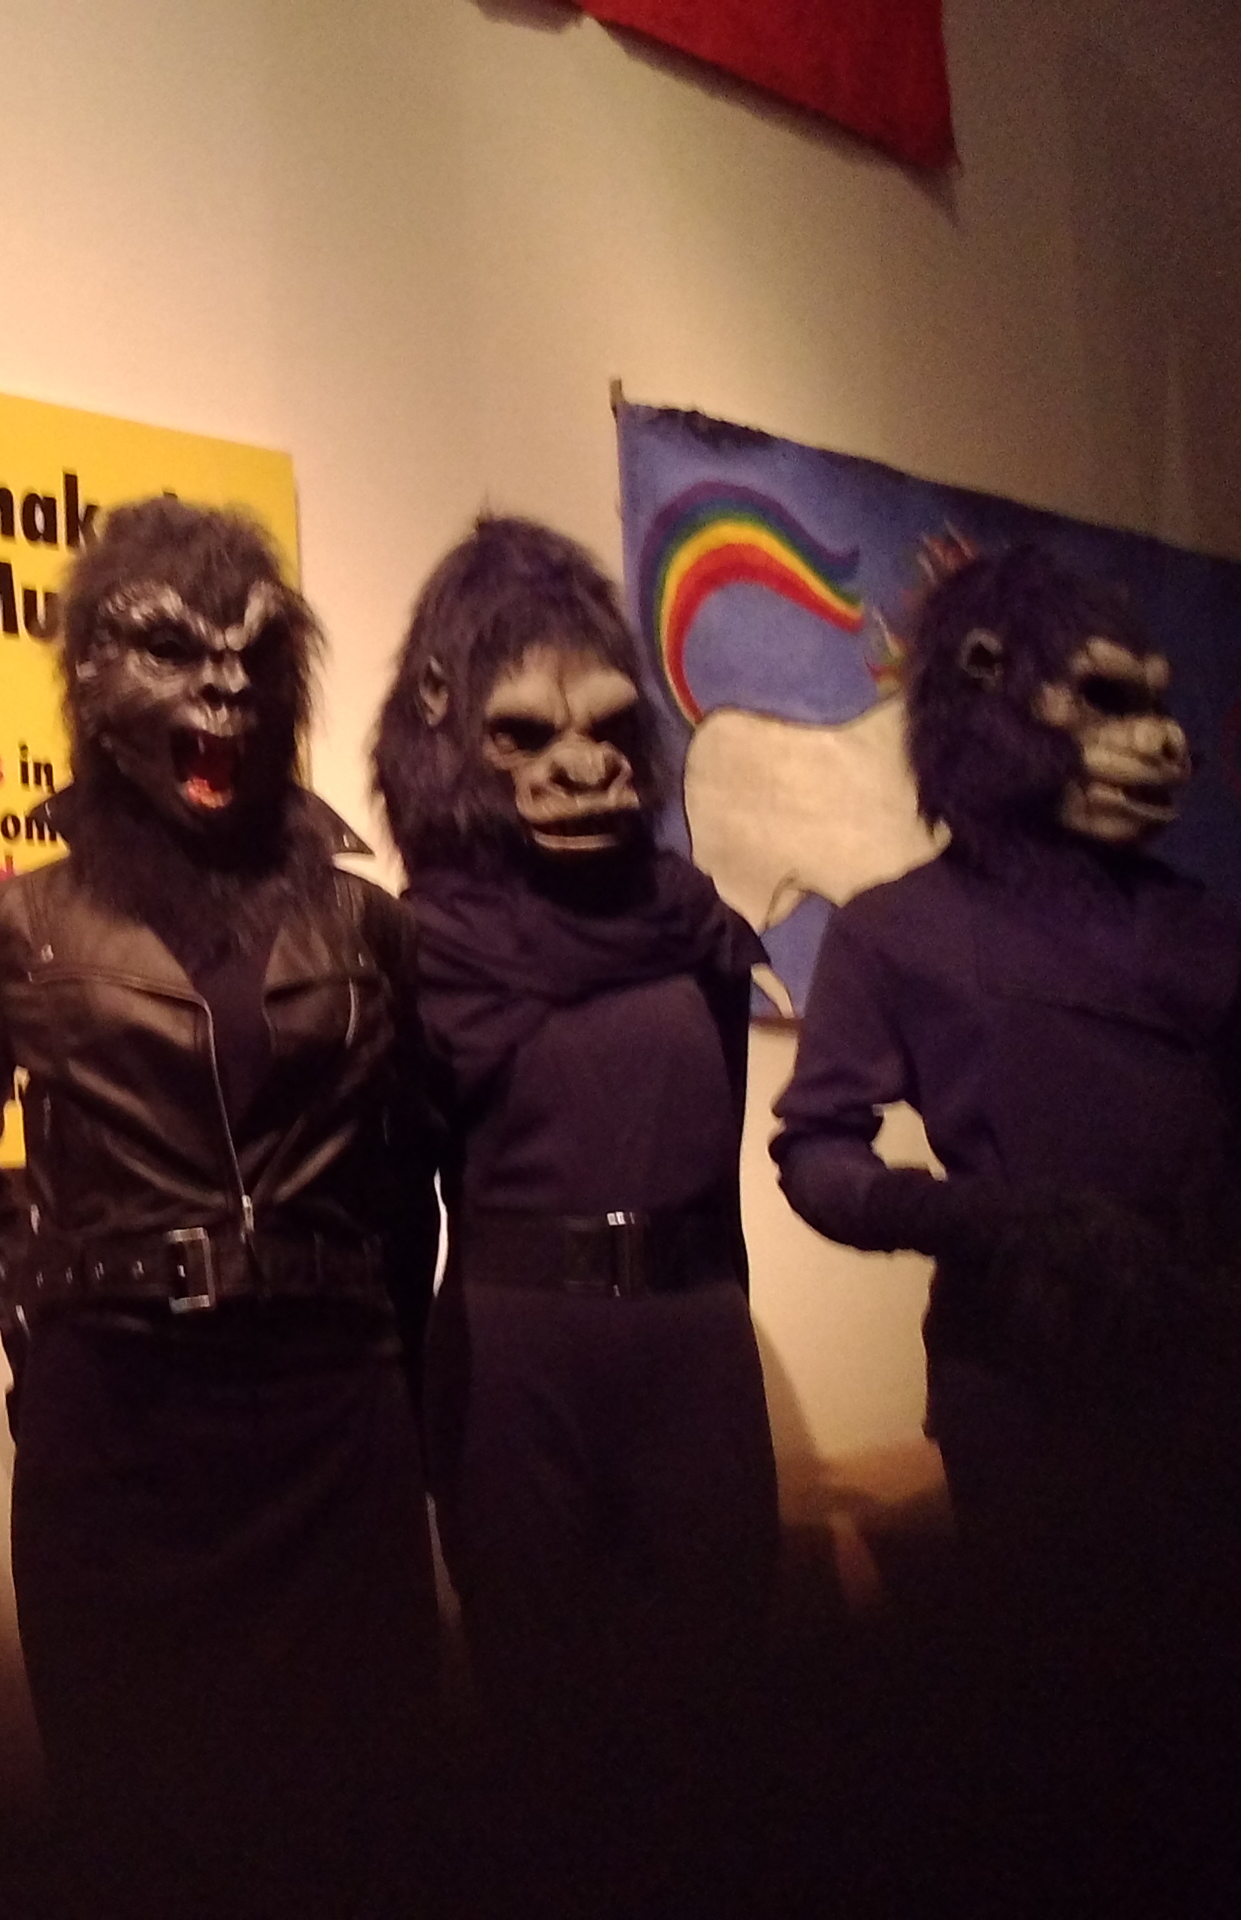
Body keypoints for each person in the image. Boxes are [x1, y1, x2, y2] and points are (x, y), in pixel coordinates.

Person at [0, 500, 444, 1916]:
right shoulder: (21, 927)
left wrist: (388, 1352)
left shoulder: (367, 925)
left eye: (253, 657)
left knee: (363, 1801)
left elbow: (406, 1175)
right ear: (92, 681)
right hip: (120, 1424)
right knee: (137, 1803)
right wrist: (39, 1305)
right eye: (171, 650)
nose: (223, 689)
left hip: (333, 1418)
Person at [772, 544, 1241, 1881]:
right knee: (1057, 1739)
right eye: (1107, 700)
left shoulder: (1196, 922)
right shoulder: (896, 929)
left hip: (1219, 1376)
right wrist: (987, 1220)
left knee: (1224, 1731)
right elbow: (816, 1149)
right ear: (989, 685)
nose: (1158, 741)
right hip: (1028, 1376)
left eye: (1156, 701)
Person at [370, 514, 777, 1898]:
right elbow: (398, 1203)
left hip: (691, 1340)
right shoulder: (428, 946)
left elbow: (718, 1156)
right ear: (450, 735)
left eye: (607, 727)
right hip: (512, 1354)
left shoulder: (686, 916)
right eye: (525, 735)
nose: (583, 764)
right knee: (543, 1725)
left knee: (719, 1715)